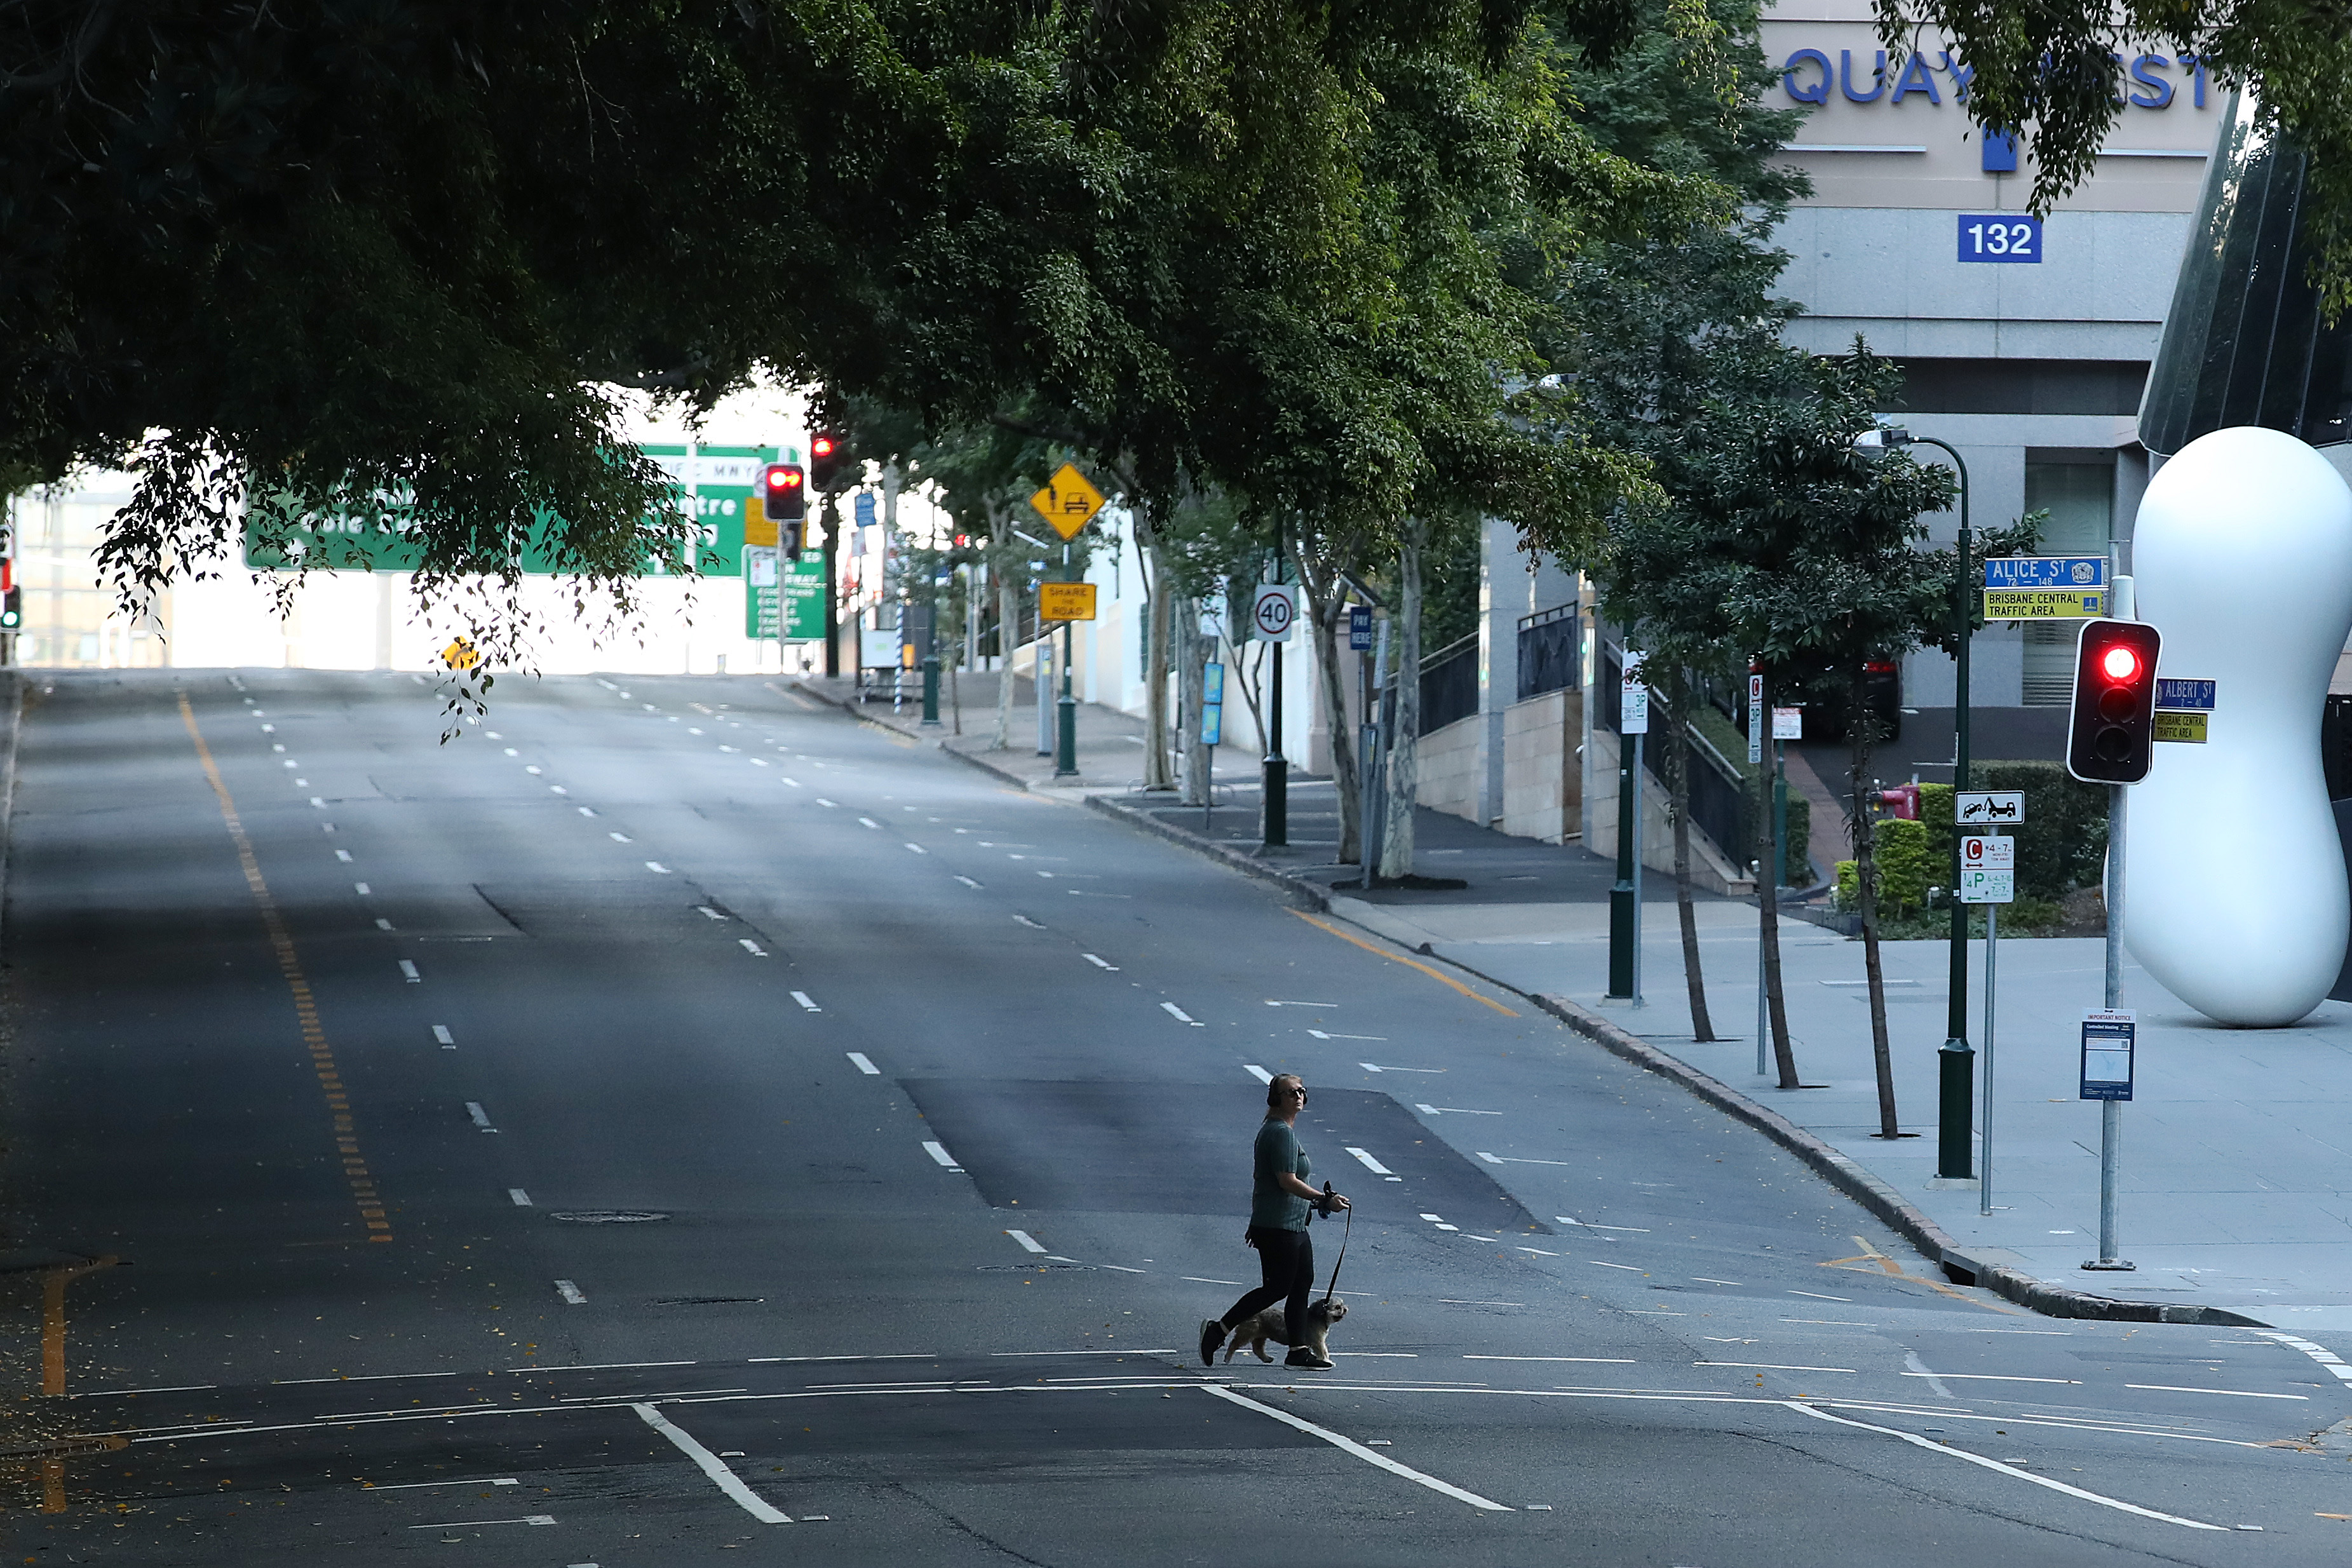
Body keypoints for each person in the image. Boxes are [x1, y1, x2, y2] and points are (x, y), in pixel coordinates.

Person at [1200, 1073, 1349, 1369]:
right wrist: (1323, 1199)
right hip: (1279, 1225)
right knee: (1277, 1288)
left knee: (1301, 1284)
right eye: (1291, 1092)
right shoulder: (1279, 1132)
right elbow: (1285, 1181)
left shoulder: (1282, 1131)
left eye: (1302, 1091)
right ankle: (1218, 1330)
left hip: (1292, 1223)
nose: (1299, 1096)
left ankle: (1298, 1350)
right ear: (1275, 1098)